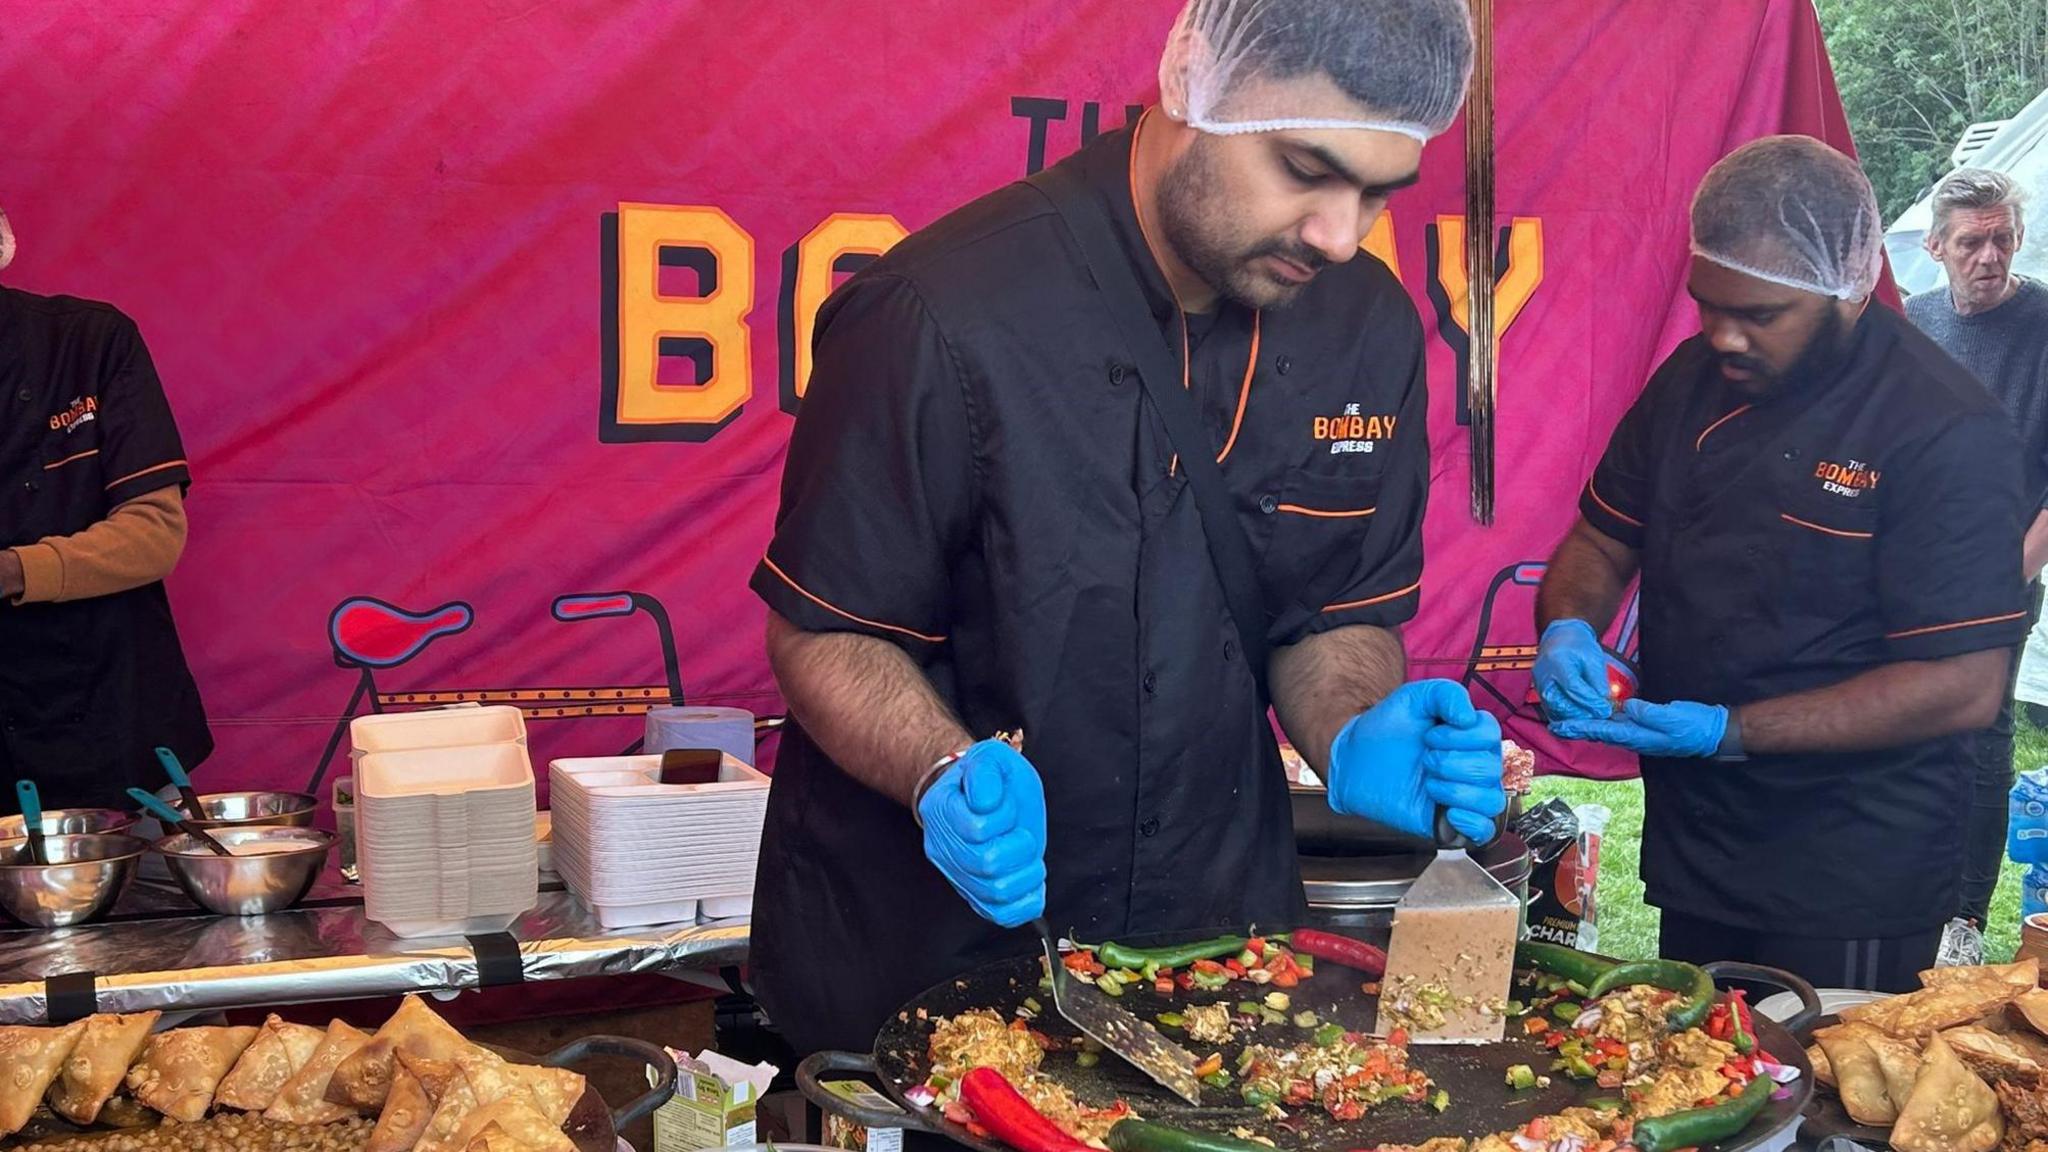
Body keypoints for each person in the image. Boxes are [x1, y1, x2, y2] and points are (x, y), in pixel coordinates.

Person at [749, 0, 1505, 1056]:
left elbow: (1326, 613)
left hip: (1216, 951)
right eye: (1303, 168)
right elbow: (824, 628)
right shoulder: (938, 310)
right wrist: (934, 768)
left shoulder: (1364, 326)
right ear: (1193, 86)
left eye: (1377, 192)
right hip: (934, 960)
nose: (1338, 235)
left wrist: (1348, 726)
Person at [1533, 137, 2028, 992]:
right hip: (1702, 839)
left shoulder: (1943, 426)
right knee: (1700, 1078)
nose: (1723, 333)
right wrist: (1569, 622)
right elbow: (1601, 538)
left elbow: (1963, 685)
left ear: (1847, 288)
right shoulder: (1691, 380)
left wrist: (1730, 729)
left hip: (1853, 862)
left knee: (1822, 1105)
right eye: (1707, 303)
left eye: (1760, 315)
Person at [0, 203, 212, 809]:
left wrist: (12, 571)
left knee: (133, 894)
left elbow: (153, 534)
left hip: (108, 712)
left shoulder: (89, 343)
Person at [1905, 168, 2048, 955]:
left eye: (2001, 237)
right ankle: (1901, 894)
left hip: (2001, 575)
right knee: (1899, 728)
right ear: (1936, 248)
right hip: (1908, 575)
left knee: (1980, 739)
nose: (1989, 255)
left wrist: (2008, 577)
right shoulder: (1914, 321)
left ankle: (1962, 920)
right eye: (1971, 242)